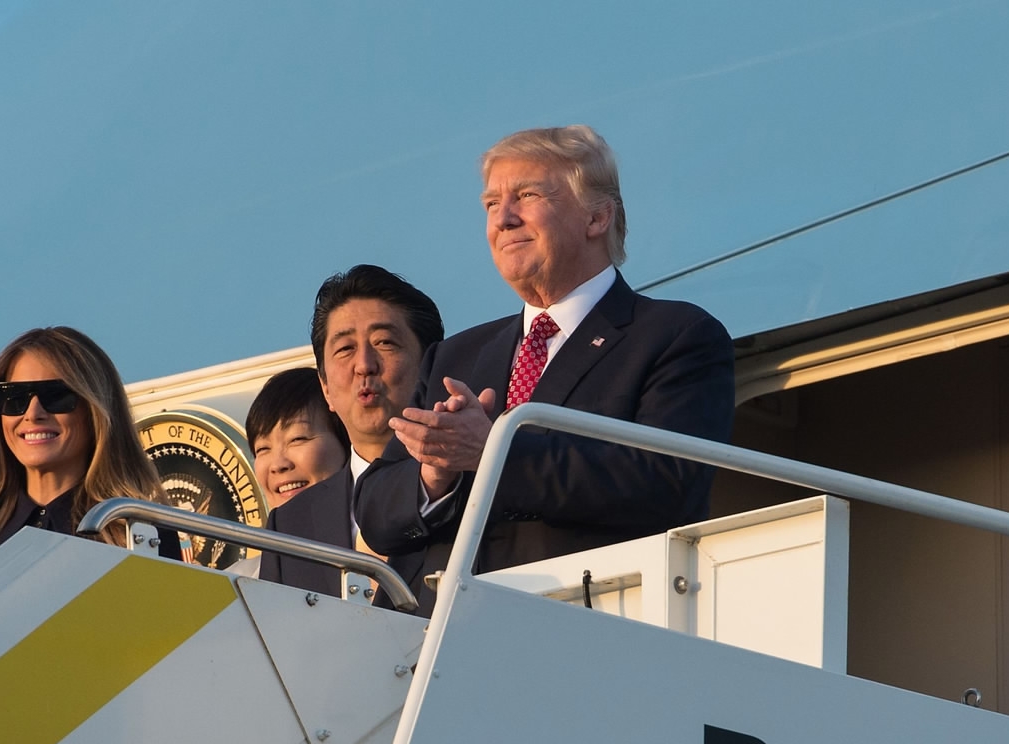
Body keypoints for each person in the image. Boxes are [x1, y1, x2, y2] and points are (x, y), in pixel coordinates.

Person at [355, 125, 734, 592]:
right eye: (491, 204)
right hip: (441, 623)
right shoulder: (455, 356)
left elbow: (667, 483)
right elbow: (374, 511)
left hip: (578, 613)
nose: (503, 219)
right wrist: (435, 473)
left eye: (527, 195)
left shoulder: (675, 336)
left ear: (597, 217)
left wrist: (493, 452)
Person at [0, 326, 180, 600]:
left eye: (56, 396)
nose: (33, 413)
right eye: (14, 398)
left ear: (94, 410)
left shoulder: (139, 534)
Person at [311, 265, 445, 486]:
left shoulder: (483, 481)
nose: (364, 365)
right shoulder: (303, 509)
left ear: (429, 367)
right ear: (325, 387)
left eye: (384, 342)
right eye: (345, 348)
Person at [248, 367, 365, 597]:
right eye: (263, 448)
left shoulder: (393, 528)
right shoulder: (240, 582)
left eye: (297, 439)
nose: (278, 464)